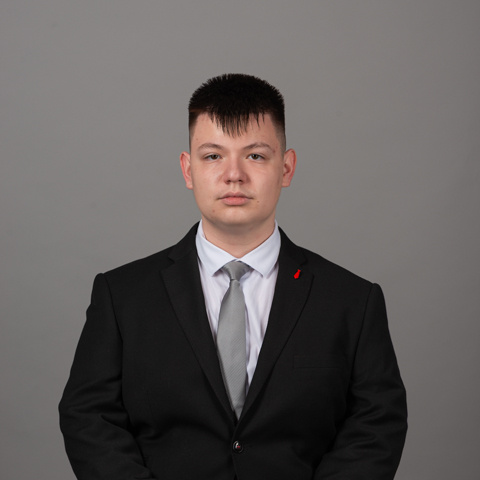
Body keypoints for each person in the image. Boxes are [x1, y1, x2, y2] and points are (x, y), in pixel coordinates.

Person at [59, 73, 407, 480]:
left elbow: (376, 424)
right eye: (213, 156)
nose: (234, 175)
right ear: (187, 169)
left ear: (286, 167)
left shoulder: (352, 301)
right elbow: (88, 417)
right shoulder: (122, 296)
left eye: (255, 156)